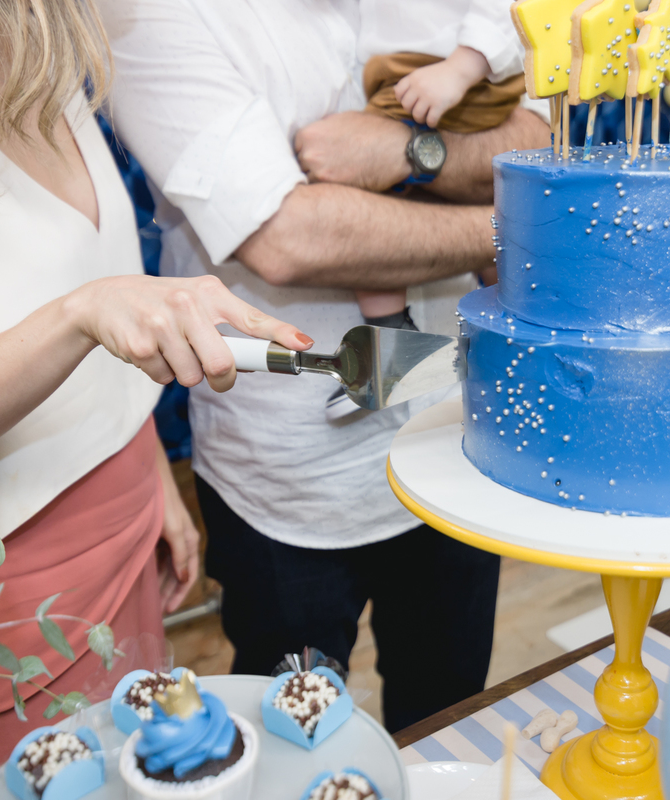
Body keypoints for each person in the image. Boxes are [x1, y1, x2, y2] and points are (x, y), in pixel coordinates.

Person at [0, 2, 309, 796]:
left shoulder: (44, 75)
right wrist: (75, 318)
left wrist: (148, 470)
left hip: (119, 533)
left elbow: (106, 306)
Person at [99, 0, 549, 732]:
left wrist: (408, 151)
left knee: (450, 714)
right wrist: (529, 230)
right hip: (290, 484)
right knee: (296, 735)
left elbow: (533, 137)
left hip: (452, 431)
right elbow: (285, 236)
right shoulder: (151, 15)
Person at [353, 0, 527, 332]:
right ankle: (511, 315)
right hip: (418, 69)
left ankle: (388, 332)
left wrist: (461, 68)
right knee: (482, 202)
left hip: (450, 70)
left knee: (368, 189)